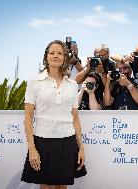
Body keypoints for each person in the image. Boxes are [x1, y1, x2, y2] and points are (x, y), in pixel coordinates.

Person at [21, 40, 86, 189]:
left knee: (62, 187)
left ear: (65, 58)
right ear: (46, 57)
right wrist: (32, 149)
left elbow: (75, 118)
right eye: (52, 53)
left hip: (67, 141)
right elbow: (28, 117)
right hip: (42, 141)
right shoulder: (34, 82)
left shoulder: (72, 84)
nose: (55, 56)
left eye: (60, 53)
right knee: (45, 187)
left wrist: (81, 147)